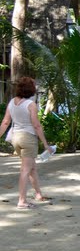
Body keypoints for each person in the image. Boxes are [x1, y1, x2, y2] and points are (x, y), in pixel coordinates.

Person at [0, 77, 52, 209]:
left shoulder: (12, 102)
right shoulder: (30, 104)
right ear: (31, 89)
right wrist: (45, 144)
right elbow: (36, 125)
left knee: (31, 168)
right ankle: (22, 201)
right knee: (25, 169)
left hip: (15, 138)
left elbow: (5, 122)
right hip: (28, 138)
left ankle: (38, 194)